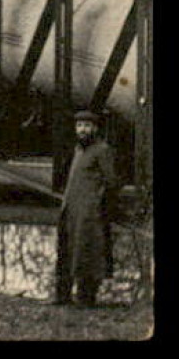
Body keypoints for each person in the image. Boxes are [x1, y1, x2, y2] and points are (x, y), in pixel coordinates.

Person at [61, 109, 119, 306]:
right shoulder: (79, 150)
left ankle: (87, 299)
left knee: (89, 252)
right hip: (72, 210)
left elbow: (111, 181)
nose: (82, 130)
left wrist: (98, 203)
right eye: (79, 126)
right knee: (71, 251)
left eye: (86, 126)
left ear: (95, 128)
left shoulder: (102, 150)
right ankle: (65, 296)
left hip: (90, 213)